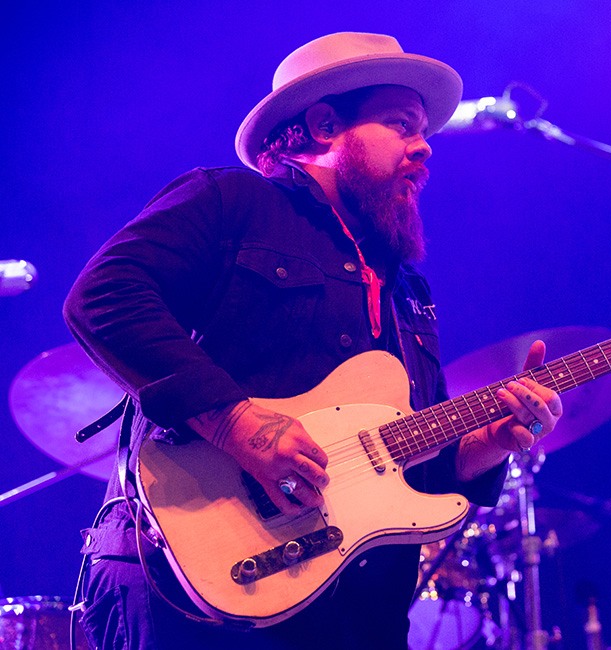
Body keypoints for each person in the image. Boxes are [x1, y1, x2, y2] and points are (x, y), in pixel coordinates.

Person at [64, 32, 563, 650]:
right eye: (401, 123)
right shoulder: (231, 202)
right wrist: (236, 425)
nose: (425, 145)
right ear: (325, 124)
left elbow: (396, 472)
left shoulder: (407, 287)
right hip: (192, 588)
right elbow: (104, 296)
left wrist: (483, 447)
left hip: (355, 606)